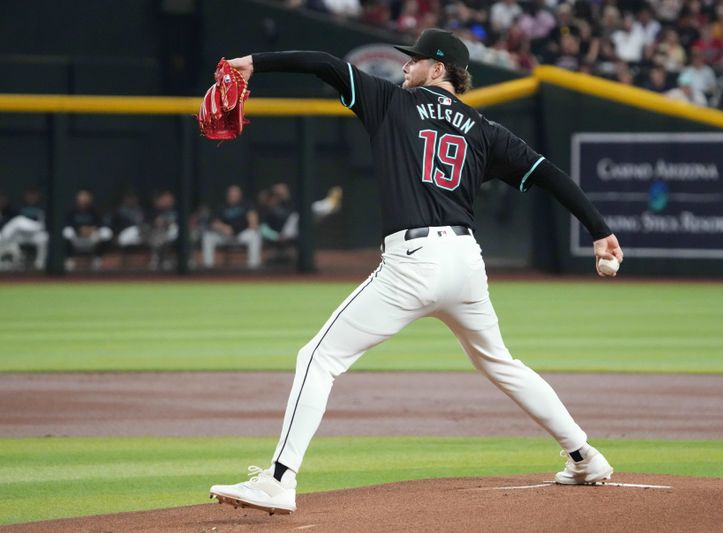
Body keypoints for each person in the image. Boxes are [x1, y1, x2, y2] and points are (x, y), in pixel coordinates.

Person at [210, 28, 624, 515]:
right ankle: (585, 457)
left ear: (439, 69)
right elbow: (550, 174)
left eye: (416, 59)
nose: (405, 66)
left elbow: (323, 62)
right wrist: (599, 230)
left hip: (413, 262)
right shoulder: (485, 130)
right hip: (467, 264)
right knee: (501, 364)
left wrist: (254, 62)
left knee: (317, 360)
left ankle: (279, 481)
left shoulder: (390, 103)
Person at [201, 184, 261, 269]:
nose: (233, 195)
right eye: (231, 193)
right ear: (227, 194)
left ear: (240, 195)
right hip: (225, 236)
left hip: (241, 235)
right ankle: (208, 267)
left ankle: (253, 266)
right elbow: (214, 222)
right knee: (208, 237)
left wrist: (251, 225)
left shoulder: (246, 204)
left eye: (235, 193)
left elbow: (253, 220)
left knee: (254, 235)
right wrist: (223, 227)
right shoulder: (221, 206)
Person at [63, 189, 113, 271]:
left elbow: (101, 224)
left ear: (90, 198)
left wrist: (90, 229)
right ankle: (69, 259)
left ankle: (97, 258)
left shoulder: (95, 210)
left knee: (106, 232)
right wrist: (79, 230)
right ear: (77, 198)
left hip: (91, 240)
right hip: (76, 240)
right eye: (81, 196)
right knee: (66, 232)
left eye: (85, 196)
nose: (83, 199)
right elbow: (67, 224)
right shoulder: (71, 211)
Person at [0, 187, 48, 270]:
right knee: (17, 222)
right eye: (30, 195)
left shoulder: (43, 207)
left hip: (35, 233)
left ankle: (40, 265)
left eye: (34, 195)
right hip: (20, 234)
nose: (31, 197)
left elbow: (44, 224)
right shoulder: (20, 207)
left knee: (43, 238)